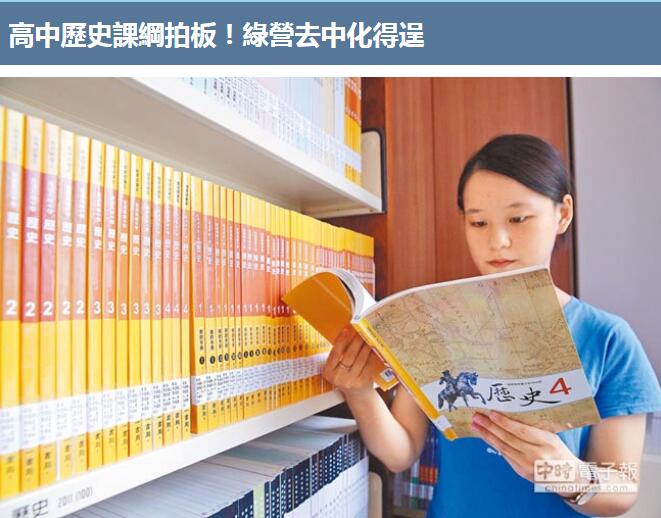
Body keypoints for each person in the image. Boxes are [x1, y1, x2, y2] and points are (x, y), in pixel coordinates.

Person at [323, 134, 661, 517]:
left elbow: (622, 489)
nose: (497, 241)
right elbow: (401, 453)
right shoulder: (436, 323)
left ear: (562, 214)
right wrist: (360, 392)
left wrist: (559, 472)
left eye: (518, 219)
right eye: (479, 222)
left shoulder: (608, 338)